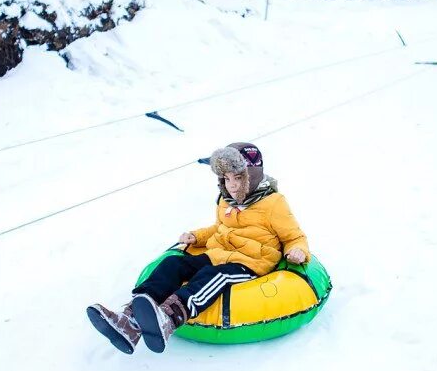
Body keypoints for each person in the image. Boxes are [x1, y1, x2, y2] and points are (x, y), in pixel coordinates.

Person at [87, 142, 310, 354]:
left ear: (251, 176)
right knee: (174, 264)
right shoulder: (225, 201)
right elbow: (218, 228)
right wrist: (197, 236)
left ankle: (170, 317)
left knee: (213, 276)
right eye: (227, 178)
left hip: (250, 262)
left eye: (238, 178)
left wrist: (298, 250)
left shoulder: (274, 203)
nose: (231, 185)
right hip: (218, 252)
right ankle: (130, 319)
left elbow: (294, 236)